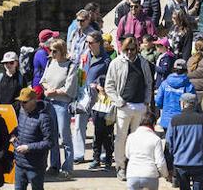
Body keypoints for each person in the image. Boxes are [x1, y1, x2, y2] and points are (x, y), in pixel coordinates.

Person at [106, 36, 154, 181]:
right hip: (124, 105)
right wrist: (119, 101)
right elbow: (109, 85)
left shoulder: (143, 62)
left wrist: (146, 102)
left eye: (132, 49)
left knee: (137, 139)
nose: (130, 52)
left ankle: (133, 165)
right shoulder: (116, 63)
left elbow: (148, 83)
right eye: (127, 49)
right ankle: (120, 166)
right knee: (121, 138)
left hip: (139, 106)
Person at [10, 86, 53, 190]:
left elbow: (49, 142)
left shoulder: (44, 117)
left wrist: (29, 147)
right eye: (21, 102)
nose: (22, 105)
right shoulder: (22, 112)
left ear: (34, 101)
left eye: (25, 102)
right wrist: (14, 134)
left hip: (35, 165)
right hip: (20, 163)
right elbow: (20, 129)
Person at [40, 38, 79, 177]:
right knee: (52, 136)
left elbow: (69, 88)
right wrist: (47, 89)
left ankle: (68, 166)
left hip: (62, 104)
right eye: (50, 50)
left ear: (62, 51)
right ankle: (54, 165)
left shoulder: (71, 66)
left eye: (54, 51)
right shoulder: (50, 62)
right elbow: (43, 80)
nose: (51, 53)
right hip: (49, 103)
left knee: (65, 136)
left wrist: (54, 91)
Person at [124, 110, 166, 190]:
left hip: (132, 174)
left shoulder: (131, 137)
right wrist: (165, 174)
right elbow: (160, 162)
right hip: (150, 175)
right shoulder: (156, 139)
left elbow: (127, 154)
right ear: (153, 124)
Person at [84, 35, 115, 171]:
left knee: (107, 132)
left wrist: (98, 85)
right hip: (90, 100)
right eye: (87, 42)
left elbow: (111, 78)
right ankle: (96, 159)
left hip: (104, 100)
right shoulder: (86, 57)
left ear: (99, 43)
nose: (88, 45)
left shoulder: (107, 60)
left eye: (91, 42)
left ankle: (107, 159)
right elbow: (82, 74)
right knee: (97, 132)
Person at [154, 58, 194, 133]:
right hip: (182, 121)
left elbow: (158, 101)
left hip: (167, 120)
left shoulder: (165, 83)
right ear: (186, 71)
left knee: (169, 142)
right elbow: (192, 104)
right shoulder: (188, 85)